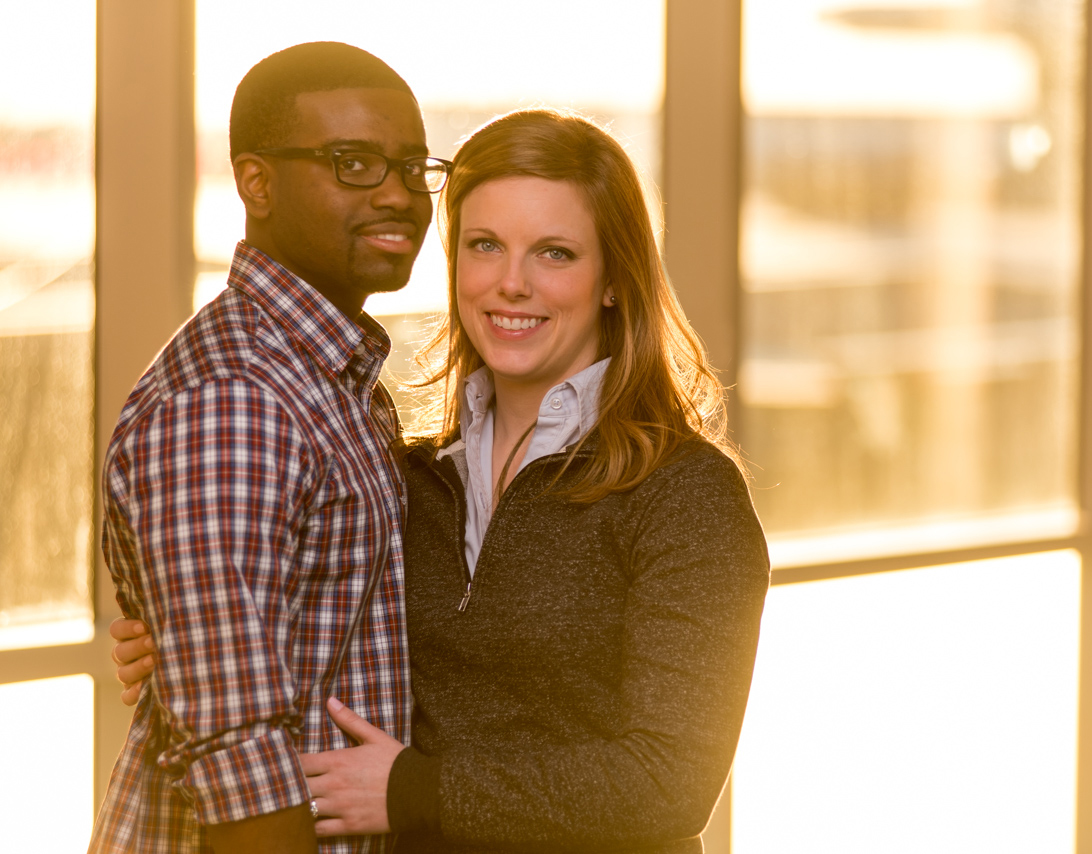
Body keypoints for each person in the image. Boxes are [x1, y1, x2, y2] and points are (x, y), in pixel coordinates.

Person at [116, 108, 771, 853]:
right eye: (484, 245)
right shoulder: (408, 473)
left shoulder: (684, 495)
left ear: (614, 280)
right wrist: (177, 635)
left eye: (555, 253)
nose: (511, 284)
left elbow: (667, 785)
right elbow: (315, 640)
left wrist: (411, 791)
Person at [90, 41, 447, 854]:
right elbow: (239, 753)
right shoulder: (236, 395)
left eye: (411, 166)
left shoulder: (334, 374)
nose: (398, 195)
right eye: (353, 163)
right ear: (256, 182)